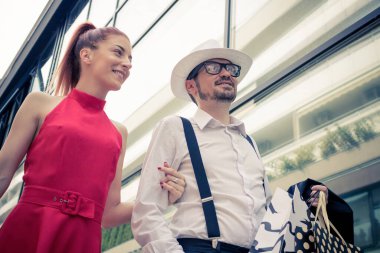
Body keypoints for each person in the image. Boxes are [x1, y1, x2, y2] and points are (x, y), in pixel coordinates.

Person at [0, 22, 185, 253]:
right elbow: (2, 174)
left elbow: (109, 214)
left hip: (82, 242)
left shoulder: (118, 133)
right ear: (86, 55)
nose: (127, 64)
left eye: (130, 59)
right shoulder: (40, 104)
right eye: (119, 52)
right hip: (29, 229)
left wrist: (161, 197)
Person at [131, 40, 330, 253]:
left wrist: (308, 205)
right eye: (213, 68)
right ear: (191, 85)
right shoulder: (176, 128)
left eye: (231, 69)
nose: (226, 73)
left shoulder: (248, 142)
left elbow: (265, 212)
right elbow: (147, 210)